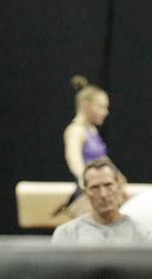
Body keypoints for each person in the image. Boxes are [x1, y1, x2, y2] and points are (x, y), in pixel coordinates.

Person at [55, 75, 125, 218]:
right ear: (85, 105)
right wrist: (84, 179)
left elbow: (102, 159)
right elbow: (72, 157)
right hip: (88, 192)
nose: (105, 112)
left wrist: (117, 176)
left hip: (100, 189)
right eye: (101, 107)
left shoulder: (92, 130)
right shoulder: (76, 130)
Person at [51, 158, 152, 245]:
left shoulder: (141, 235)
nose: (103, 194)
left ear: (119, 186)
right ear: (85, 192)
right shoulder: (68, 234)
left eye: (108, 185)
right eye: (95, 188)